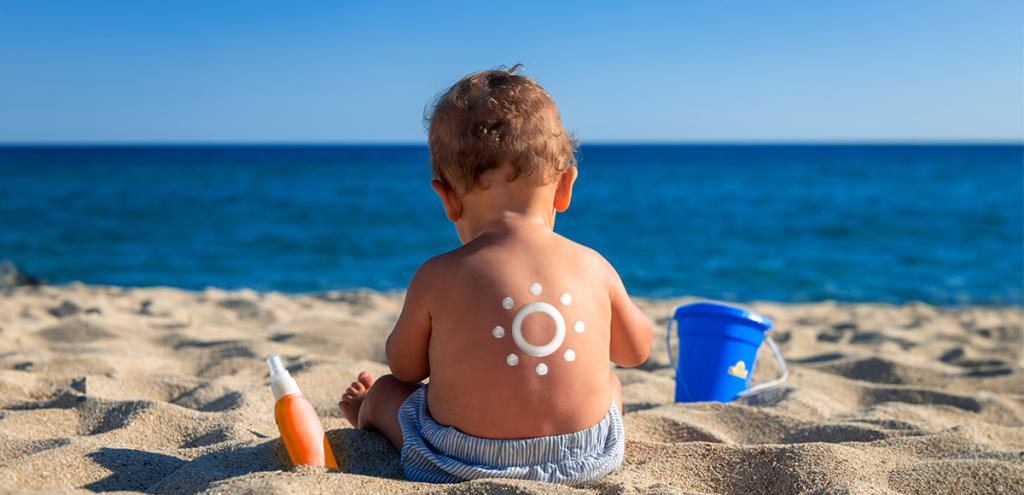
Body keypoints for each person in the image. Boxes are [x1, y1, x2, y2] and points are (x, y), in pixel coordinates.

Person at [338, 65, 653, 486]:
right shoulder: (594, 266)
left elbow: (405, 368)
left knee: (386, 392)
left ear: (447, 197)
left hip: (464, 460)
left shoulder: (436, 275)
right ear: (565, 188)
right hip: (585, 456)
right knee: (610, 382)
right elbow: (636, 352)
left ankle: (365, 413)